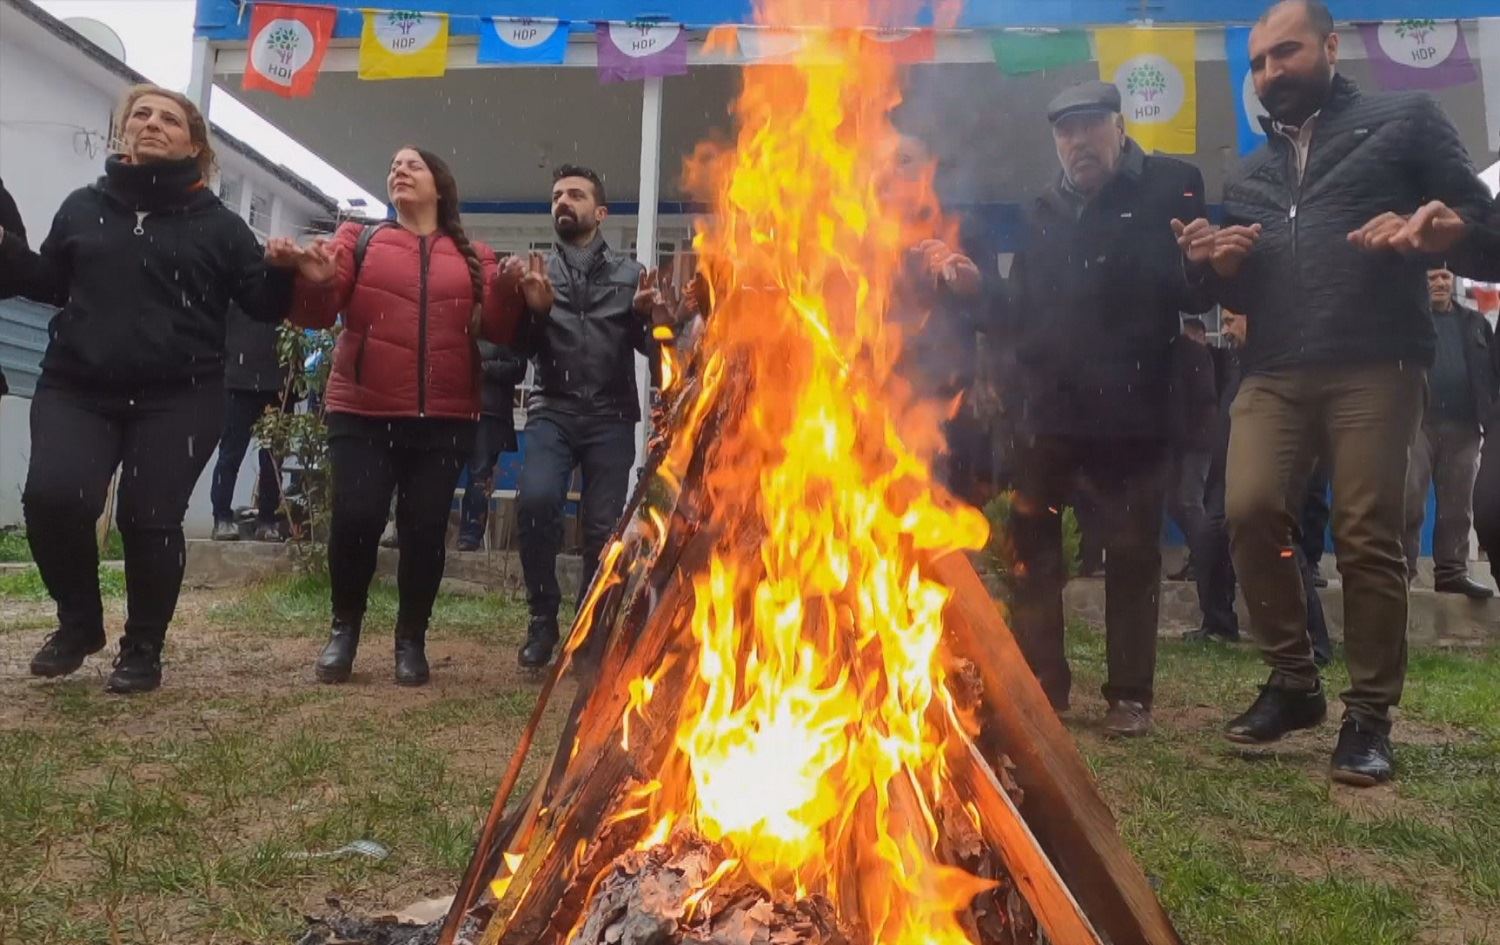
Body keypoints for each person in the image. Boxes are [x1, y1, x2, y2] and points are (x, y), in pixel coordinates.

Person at [1174, 0, 1493, 785]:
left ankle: (1368, 715)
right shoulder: (1245, 172)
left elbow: (1486, 225)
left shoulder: (1406, 119)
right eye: (1258, 63)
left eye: (1286, 53)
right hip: (1275, 368)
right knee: (1243, 510)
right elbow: (1237, 286)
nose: (1270, 72)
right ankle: (1293, 679)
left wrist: (1448, 234)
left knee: (1365, 534)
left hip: (1376, 363)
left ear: (1330, 46)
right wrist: (1213, 266)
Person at [0, 85, 300, 693]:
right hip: (77, 386)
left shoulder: (220, 226)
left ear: (195, 144)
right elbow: (52, 283)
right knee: (54, 499)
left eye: (170, 118)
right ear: (123, 132)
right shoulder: (82, 208)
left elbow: (264, 304)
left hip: (180, 394)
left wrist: (285, 267)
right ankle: (80, 622)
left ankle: (143, 647)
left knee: (149, 517)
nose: (153, 123)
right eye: (141, 114)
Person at [1005, 79, 1213, 737]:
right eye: (1065, 132)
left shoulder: (1170, 184)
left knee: (1130, 550)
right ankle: (1044, 683)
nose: (1077, 142)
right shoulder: (1040, 207)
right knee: (1032, 543)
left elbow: (1190, 286)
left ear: (1119, 128)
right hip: (1051, 410)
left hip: (1133, 405)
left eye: (1090, 126)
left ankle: (1129, 696)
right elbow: (1019, 308)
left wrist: (1202, 266)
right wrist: (972, 289)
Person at [288, 147, 522, 686]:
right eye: (393, 164)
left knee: (423, 532)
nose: (399, 170)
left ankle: (411, 639)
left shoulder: (474, 255)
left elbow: (503, 331)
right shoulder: (358, 239)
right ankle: (343, 630)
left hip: (444, 418)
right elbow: (319, 314)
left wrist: (511, 289)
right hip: (362, 411)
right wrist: (313, 278)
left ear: (439, 186)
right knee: (358, 520)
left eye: (412, 165)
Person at [511, 165, 662, 670]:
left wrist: (650, 319)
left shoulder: (630, 274)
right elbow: (520, 353)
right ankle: (542, 619)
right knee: (534, 503)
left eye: (575, 195)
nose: (563, 202)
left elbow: (652, 354)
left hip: (610, 415)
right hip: (551, 409)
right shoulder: (538, 271)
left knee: (601, 530)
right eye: (556, 195)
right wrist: (533, 311)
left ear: (600, 213)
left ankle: (587, 628)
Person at [1188, 311, 1332, 665]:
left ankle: (1315, 640)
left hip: (1271, 473)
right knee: (1208, 538)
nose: (1226, 328)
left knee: (1284, 549)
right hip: (1227, 473)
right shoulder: (1233, 362)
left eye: (1233, 320)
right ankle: (1219, 622)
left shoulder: (1278, 365)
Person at [1402, 268, 1496, 598]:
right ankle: (1403, 570)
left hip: (1466, 425)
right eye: (1431, 278)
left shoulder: (1476, 323)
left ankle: (1452, 572)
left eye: (1444, 277)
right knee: (1408, 501)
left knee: (1458, 506)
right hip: (1417, 422)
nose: (1440, 284)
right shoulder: (1407, 319)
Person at [210, 303, 296, 542]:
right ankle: (221, 517)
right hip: (239, 380)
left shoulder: (291, 273)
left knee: (272, 459)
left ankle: (267, 519)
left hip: (277, 379)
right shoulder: (234, 273)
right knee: (231, 454)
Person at [456, 340, 527, 552]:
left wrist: (482, 367)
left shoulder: (507, 324)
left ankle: (469, 537)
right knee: (442, 473)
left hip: (489, 411)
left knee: (479, 475)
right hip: (458, 407)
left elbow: (518, 367)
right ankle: (432, 533)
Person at [1166, 317, 1218, 583]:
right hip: (1190, 441)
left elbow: (1198, 397)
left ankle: (1207, 562)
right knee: (1178, 501)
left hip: (1196, 441)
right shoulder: (1193, 355)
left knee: (1188, 500)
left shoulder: (1192, 355)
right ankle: (1202, 558)